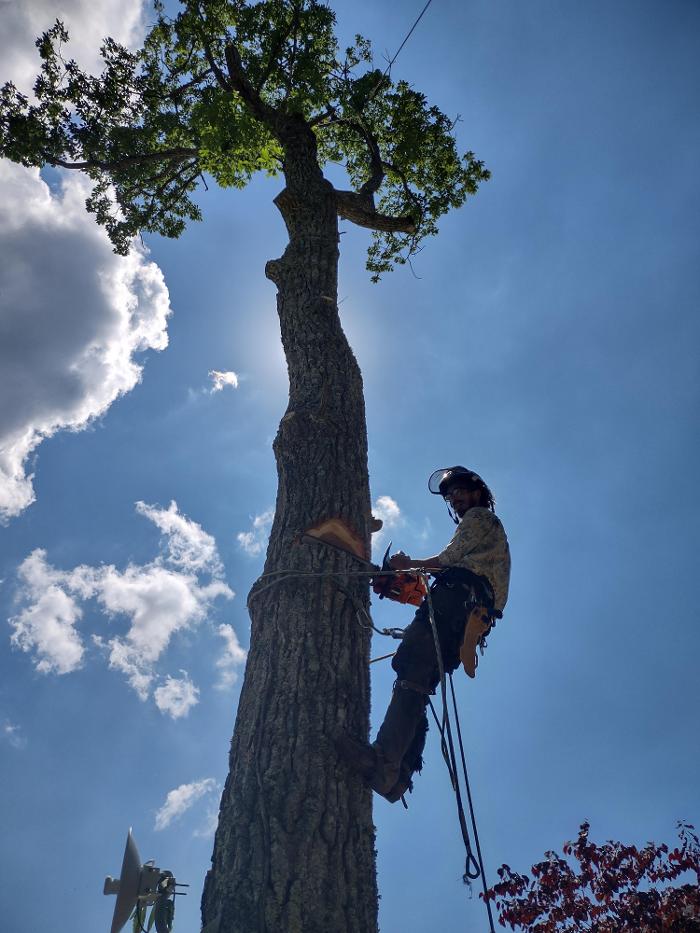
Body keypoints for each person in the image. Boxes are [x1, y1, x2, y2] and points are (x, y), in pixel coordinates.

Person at [337, 466, 511, 803]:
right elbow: (466, 574)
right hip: (466, 615)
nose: (455, 499)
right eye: (451, 496)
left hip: (455, 601)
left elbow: (449, 560)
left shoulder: (479, 518)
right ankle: (400, 775)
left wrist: (409, 565)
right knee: (418, 680)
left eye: (459, 491)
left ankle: (385, 761)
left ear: (476, 492)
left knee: (411, 662)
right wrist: (413, 583)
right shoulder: (492, 541)